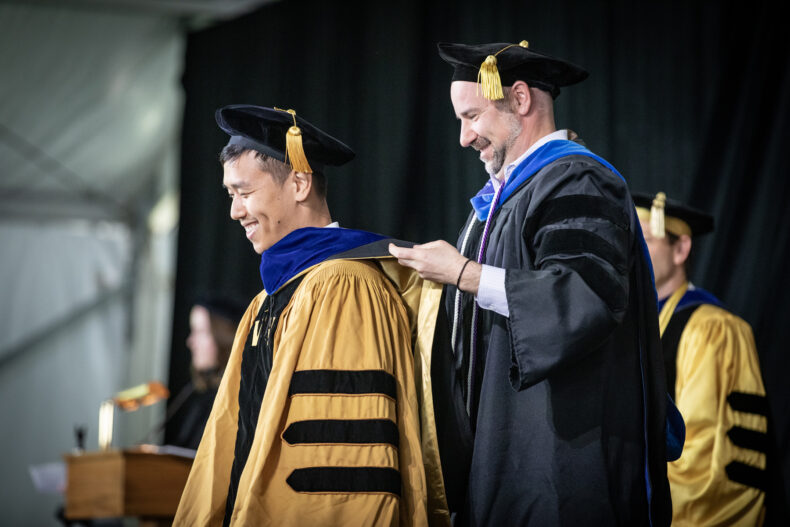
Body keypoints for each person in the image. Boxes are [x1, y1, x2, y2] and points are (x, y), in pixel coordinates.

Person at [389, 40, 673, 526]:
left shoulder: (578, 180)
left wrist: (462, 273)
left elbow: (584, 297)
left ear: (520, 99)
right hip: (507, 458)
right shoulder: (503, 200)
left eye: (472, 116)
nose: (464, 137)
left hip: (564, 465)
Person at [174, 105, 468, 526]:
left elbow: (343, 462)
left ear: (299, 182)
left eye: (245, 193)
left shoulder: (346, 286)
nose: (235, 212)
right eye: (230, 195)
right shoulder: (267, 302)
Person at [635, 191, 768, 526]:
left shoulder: (713, 329)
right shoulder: (635, 325)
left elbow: (703, 459)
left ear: (681, 249)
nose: (631, 255)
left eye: (644, 242)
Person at [167, 296, 245, 450]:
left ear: (224, 336)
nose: (190, 342)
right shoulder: (198, 396)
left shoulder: (241, 398)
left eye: (200, 332)